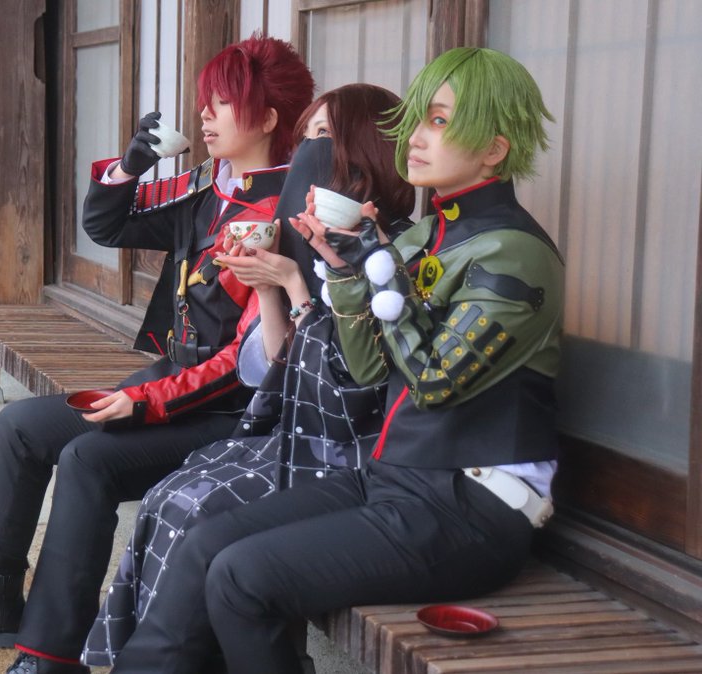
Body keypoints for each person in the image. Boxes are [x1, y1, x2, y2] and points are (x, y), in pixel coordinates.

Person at [109, 47, 563, 674]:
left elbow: (432, 381)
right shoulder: (424, 236)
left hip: (474, 505)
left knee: (243, 578)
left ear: (494, 149)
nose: (415, 137)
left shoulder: (512, 251)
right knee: (207, 542)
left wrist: (377, 270)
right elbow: (371, 368)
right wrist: (347, 272)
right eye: (416, 120)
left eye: (438, 121)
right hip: (395, 477)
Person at [0, 35, 315, 674]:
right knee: (20, 425)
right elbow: (107, 225)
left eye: (223, 101)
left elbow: (247, 364)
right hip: (173, 383)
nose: (204, 114)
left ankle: (49, 651)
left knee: (87, 460)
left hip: (232, 414)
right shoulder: (208, 188)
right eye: (205, 100)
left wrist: (141, 401)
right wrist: (130, 166)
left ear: (266, 118)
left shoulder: (283, 213)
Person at [80, 83, 415, 668]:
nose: (204, 115)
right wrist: (271, 287)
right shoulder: (232, 199)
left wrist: (297, 283)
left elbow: (355, 383)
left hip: (344, 449)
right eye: (308, 135)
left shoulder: (392, 248)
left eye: (325, 136)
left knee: (200, 513)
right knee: (167, 496)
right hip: (287, 421)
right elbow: (278, 366)